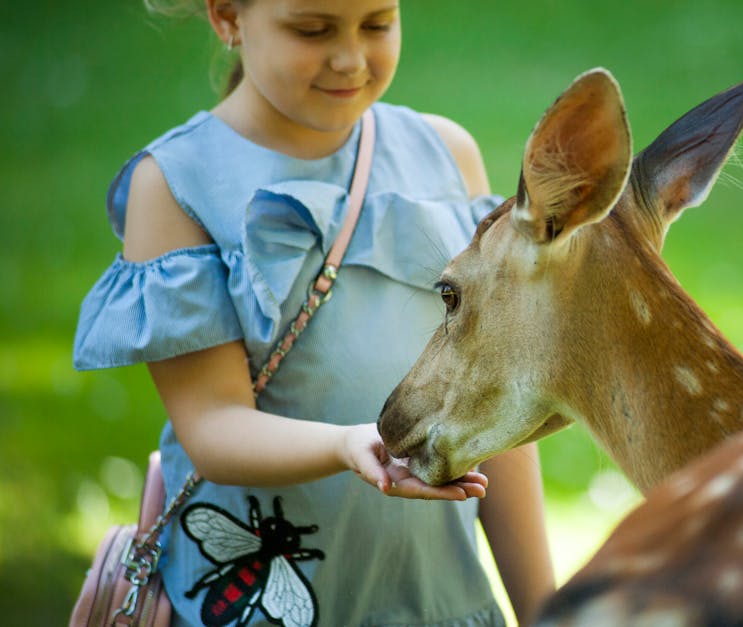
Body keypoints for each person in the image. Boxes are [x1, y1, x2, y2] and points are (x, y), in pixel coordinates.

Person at [72, 0, 555, 624]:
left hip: (437, 600)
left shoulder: (446, 155)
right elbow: (213, 424)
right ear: (227, 18)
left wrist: (546, 608)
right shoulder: (174, 184)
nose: (351, 58)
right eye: (312, 29)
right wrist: (350, 445)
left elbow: (498, 411)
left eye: (377, 23)